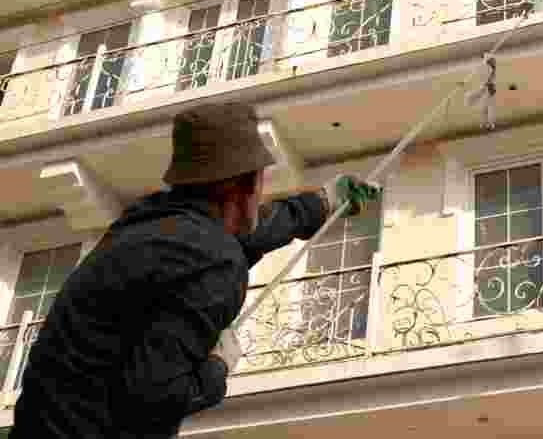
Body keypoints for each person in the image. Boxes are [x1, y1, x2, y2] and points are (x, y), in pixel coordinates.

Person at [10, 102, 380, 438]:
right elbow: (150, 400)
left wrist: (322, 202)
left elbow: (244, 232)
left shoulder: (150, 221)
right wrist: (216, 370)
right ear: (246, 183)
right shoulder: (215, 262)